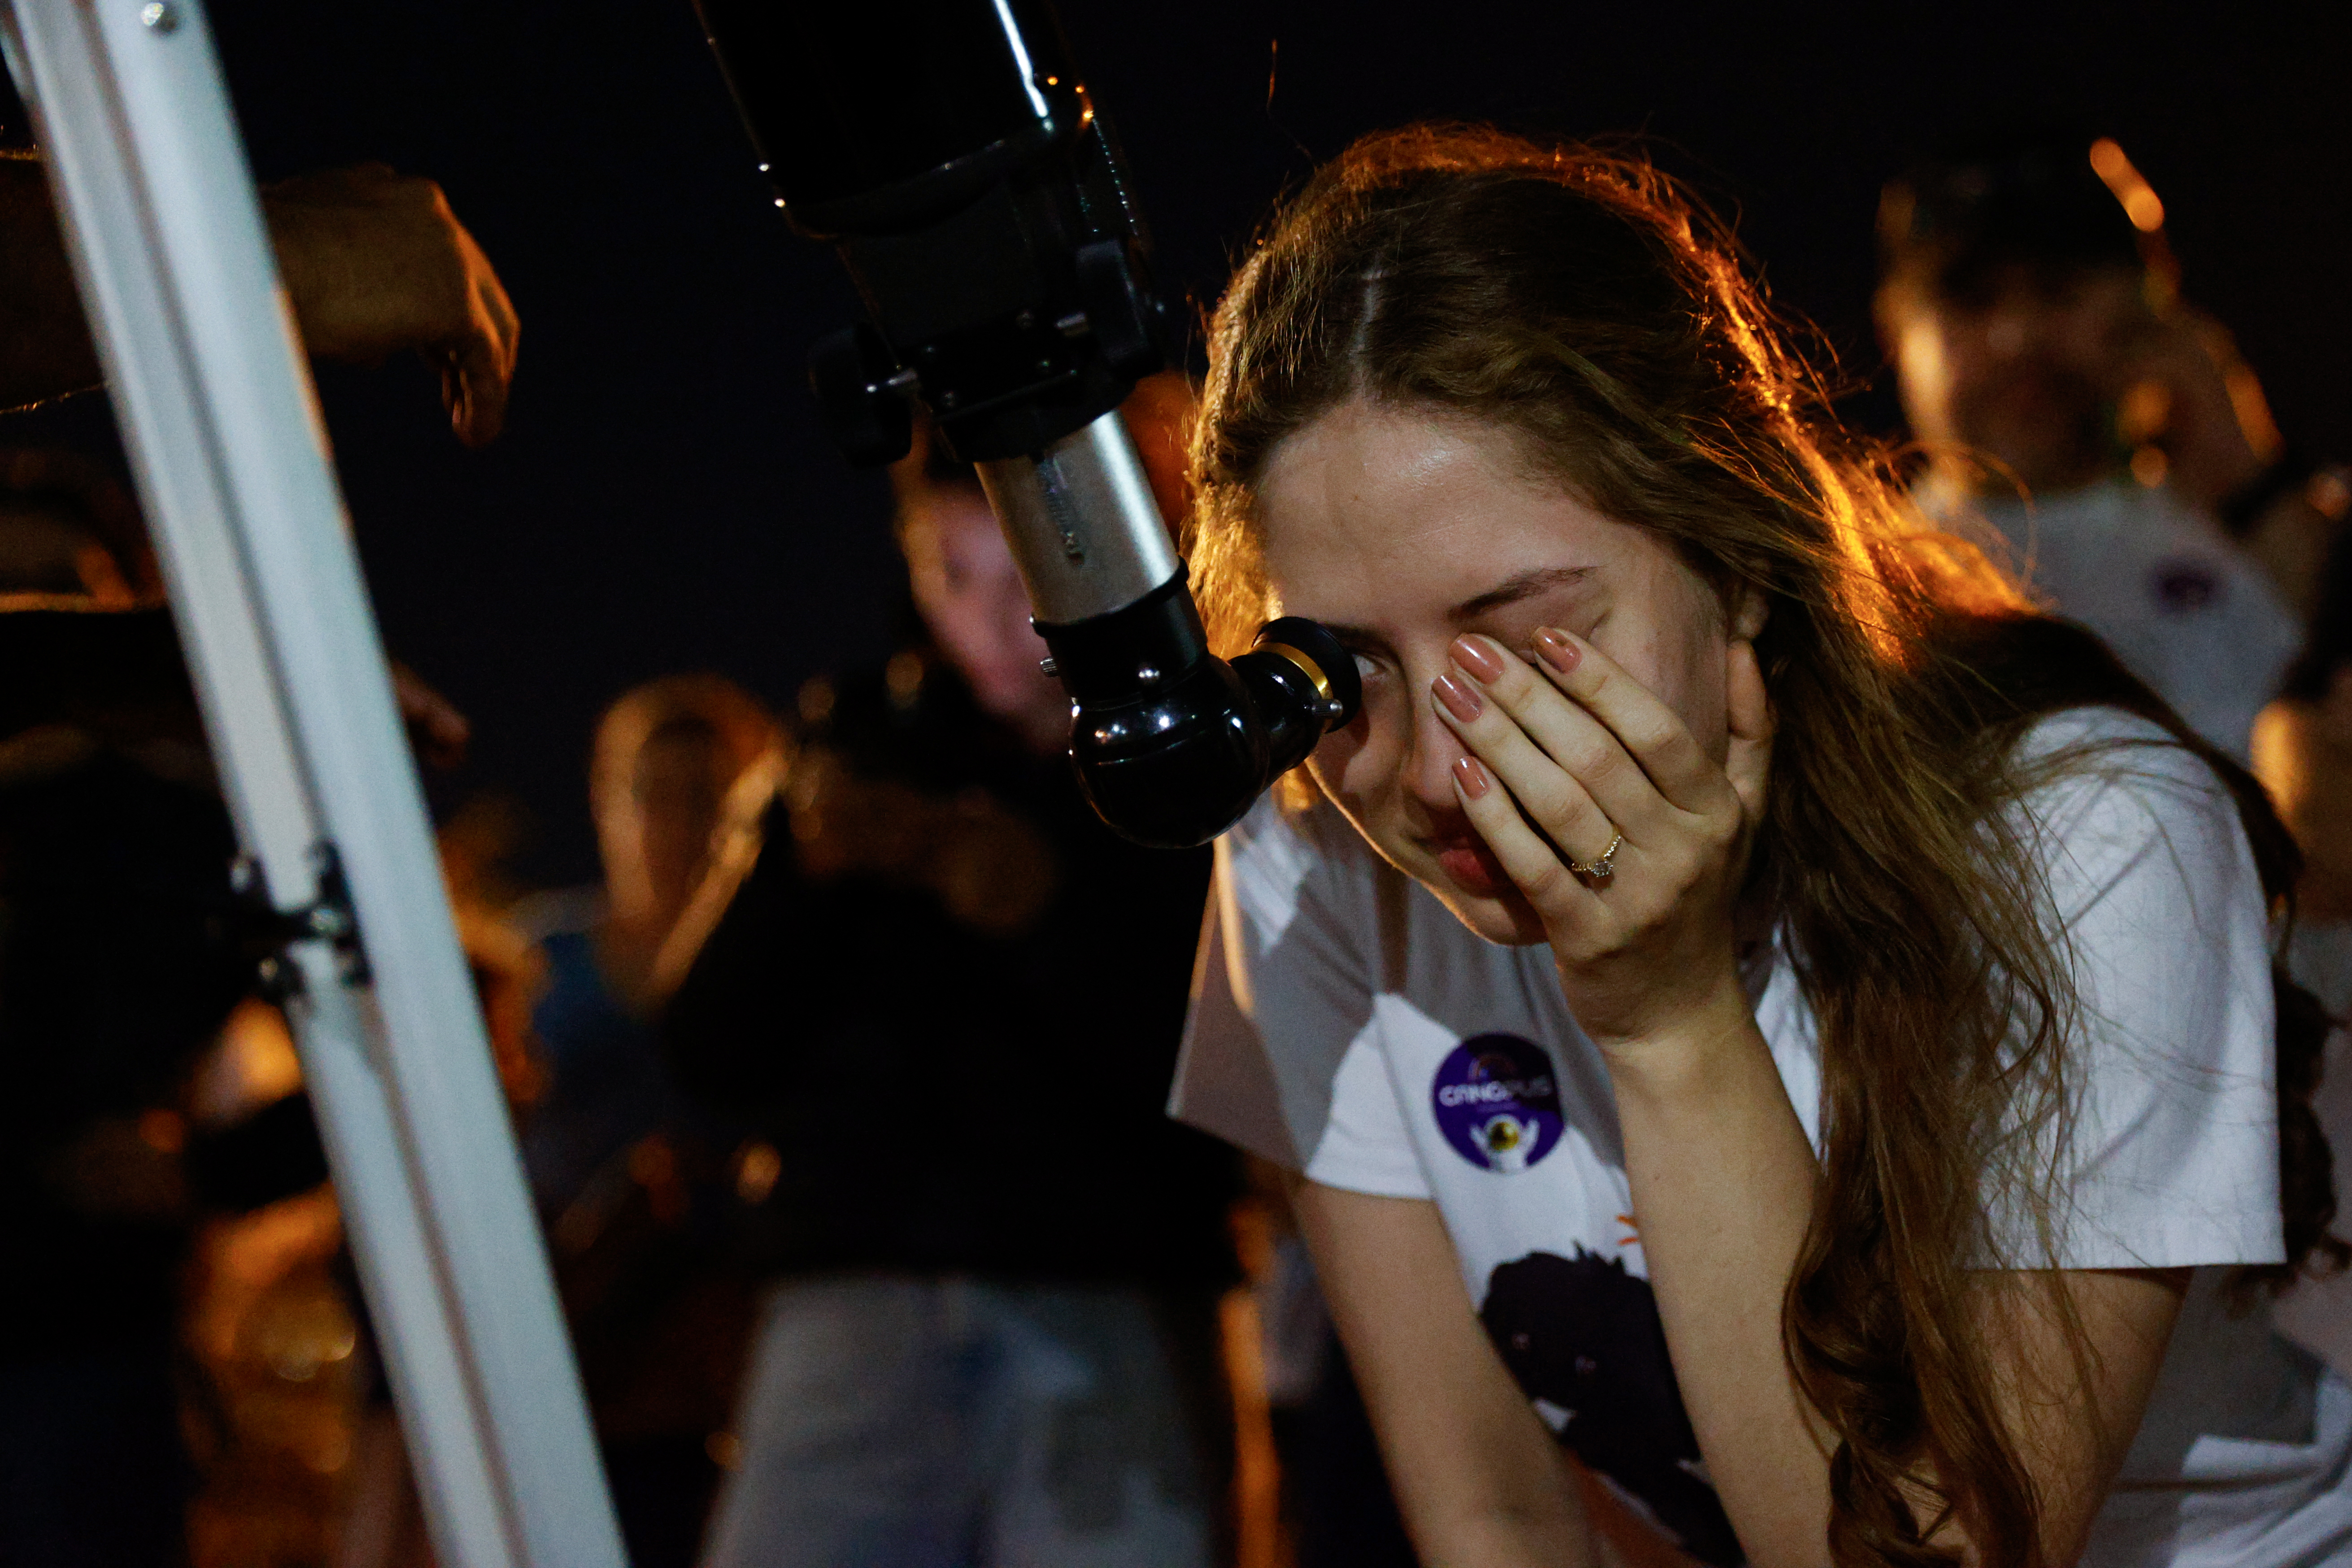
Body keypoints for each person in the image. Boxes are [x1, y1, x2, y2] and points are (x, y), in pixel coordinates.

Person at [1167, 125, 2348, 1568]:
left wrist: (1667, 1024)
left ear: (1732, 555)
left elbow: (1926, 1553)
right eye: (1339, 671)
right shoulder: (1310, 859)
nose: (1436, 775)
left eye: (1522, 644)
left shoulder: (2093, 836)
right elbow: (1496, 1519)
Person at [664, 385, 1240, 1568]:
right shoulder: (850, 740)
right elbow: (708, 1049)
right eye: (951, 573)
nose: (992, 620)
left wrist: (1043, 914)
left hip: (1105, 1295)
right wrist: (798, 880)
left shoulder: (1191, 766)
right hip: (854, 1289)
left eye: (1026, 572)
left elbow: (1225, 1099)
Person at [1876, 130, 2343, 763]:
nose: (2017, 338)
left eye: (2056, 291)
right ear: (1898, 330)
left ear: (2152, 303)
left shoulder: (2282, 531)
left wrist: (2248, 482)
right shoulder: (1862, 584)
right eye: (1973, 300)